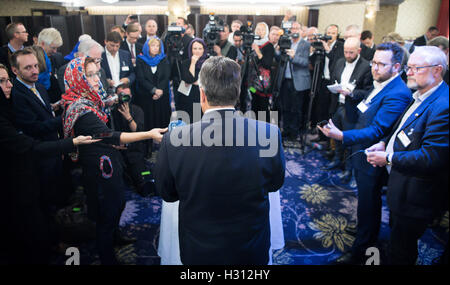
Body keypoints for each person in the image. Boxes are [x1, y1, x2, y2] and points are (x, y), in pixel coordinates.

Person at [155, 56, 285, 265]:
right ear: (237, 93)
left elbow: (168, 194)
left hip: (200, 250)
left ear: (202, 95)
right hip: (250, 248)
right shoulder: (269, 133)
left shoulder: (175, 139)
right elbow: (275, 183)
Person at [61, 56, 166, 265]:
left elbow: (104, 133)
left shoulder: (92, 99)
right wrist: (149, 134)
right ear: (77, 79)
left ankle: (116, 238)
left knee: (117, 203)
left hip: (108, 158)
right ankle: (107, 256)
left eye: (95, 74)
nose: (95, 79)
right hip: (98, 170)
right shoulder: (81, 110)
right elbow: (112, 135)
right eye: (88, 75)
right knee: (105, 216)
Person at [318, 42, 412, 264]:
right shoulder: (381, 84)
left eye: (381, 64)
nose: (375, 68)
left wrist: (342, 136)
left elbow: (378, 129)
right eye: (374, 63)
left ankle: (363, 247)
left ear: (397, 67)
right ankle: (364, 233)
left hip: (373, 154)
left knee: (370, 202)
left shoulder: (398, 92)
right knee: (365, 201)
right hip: (363, 149)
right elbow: (365, 109)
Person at [0, 63, 97, 264]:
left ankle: (50, 243)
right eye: (2, 81)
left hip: (28, 172)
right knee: (27, 224)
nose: (8, 85)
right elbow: (30, 144)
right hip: (12, 181)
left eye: (7, 79)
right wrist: (72, 142)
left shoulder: (9, 104)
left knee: (44, 208)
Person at [366, 46, 448, 265]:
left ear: (437, 70)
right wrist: (385, 142)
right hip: (401, 187)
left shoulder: (443, 105)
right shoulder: (420, 93)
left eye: (415, 68)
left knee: (402, 251)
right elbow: (403, 128)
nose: (408, 73)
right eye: (408, 67)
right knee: (396, 240)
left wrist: (389, 158)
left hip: (416, 195)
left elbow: (431, 157)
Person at [10, 48, 68, 210]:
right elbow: (34, 128)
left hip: (53, 147)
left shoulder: (39, 86)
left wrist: (56, 107)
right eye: (28, 68)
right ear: (15, 70)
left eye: (35, 66)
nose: (35, 71)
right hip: (40, 155)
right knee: (47, 201)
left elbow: (44, 114)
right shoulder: (17, 94)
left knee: (57, 192)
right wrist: (64, 119)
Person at [323, 37, 373, 184]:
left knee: (350, 141)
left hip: (352, 109)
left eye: (351, 52)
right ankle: (337, 160)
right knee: (336, 137)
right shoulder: (339, 62)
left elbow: (368, 92)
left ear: (358, 51)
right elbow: (333, 79)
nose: (348, 55)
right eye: (346, 52)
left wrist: (351, 93)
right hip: (337, 105)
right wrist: (335, 87)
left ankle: (349, 169)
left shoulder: (365, 67)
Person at [110, 83, 150, 196]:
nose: (124, 98)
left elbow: (139, 133)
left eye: (127, 95)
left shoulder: (137, 110)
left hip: (134, 150)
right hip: (116, 151)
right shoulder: (111, 112)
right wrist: (114, 146)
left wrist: (128, 117)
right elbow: (107, 134)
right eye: (121, 95)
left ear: (131, 96)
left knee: (142, 185)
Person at [279, 21, 311, 140]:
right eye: (293, 28)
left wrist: (294, 57)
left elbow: (306, 63)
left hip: (299, 82)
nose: (295, 31)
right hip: (285, 79)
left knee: (296, 108)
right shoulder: (287, 42)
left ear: (301, 31)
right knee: (285, 107)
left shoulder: (306, 45)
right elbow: (279, 58)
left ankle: (294, 132)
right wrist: (279, 49)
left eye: (297, 28)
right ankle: (286, 130)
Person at [135, 37, 171, 131]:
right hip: (147, 96)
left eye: (157, 46)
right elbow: (141, 79)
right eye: (153, 45)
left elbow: (166, 77)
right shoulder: (140, 60)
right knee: (149, 122)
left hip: (162, 96)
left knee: (163, 121)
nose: (155, 48)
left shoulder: (163, 59)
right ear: (147, 47)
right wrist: (154, 90)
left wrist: (159, 91)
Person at [176, 38, 208, 123]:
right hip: (186, 95)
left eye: (200, 48)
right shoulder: (186, 62)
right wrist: (193, 63)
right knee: (186, 120)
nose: (197, 51)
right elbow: (189, 79)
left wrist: (197, 82)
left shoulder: (207, 63)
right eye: (195, 48)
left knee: (198, 120)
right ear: (191, 50)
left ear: (204, 50)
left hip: (201, 95)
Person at [249, 22, 275, 121]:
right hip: (252, 83)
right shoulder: (253, 44)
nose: (260, 32)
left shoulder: (269, 46)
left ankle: (265, 132)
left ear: (266, 32)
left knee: (263, 108)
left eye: (262, 30)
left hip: (263, 84)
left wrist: (258, 52)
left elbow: (267, 64)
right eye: (258, 29)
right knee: (254, 105)